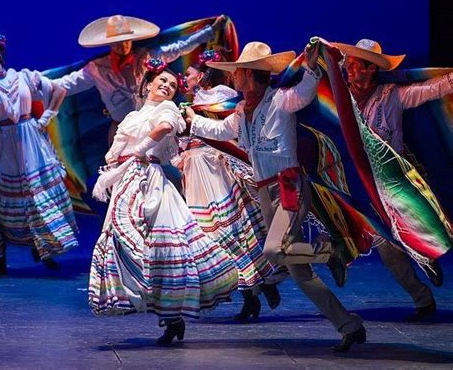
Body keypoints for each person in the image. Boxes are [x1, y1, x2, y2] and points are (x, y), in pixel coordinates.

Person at [185, 41, 366, 352]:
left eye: (239, 72)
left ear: (249, 74)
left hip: (289, 188)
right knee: (299, 271)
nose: (234, 78)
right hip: (265, 194)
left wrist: (310, 65)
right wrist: (190, 120)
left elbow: (308, 88)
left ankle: (332, 252)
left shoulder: (282, 101)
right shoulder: (243, 110)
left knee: (272, 251)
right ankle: (349, 325)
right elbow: (219, 131)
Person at [88, 59, 238, 345]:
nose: (167, 87)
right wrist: (114, 165)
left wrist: (137, 152)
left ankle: (172, 317)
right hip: (128, 181)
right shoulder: (131, 118)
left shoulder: (168, 110)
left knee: (162, 248)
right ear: (147, 85)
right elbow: (114, 150)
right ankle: (157, 308)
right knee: (126, 242)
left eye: (172, 85)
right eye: (162, 82)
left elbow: (164, 128)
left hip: (151, 181)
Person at [333, 38, 453, 321]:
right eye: (347, 65)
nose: (349, 70)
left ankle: (428, 257)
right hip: (365, 186)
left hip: (396, 182)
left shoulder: (391, 96)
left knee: (416, 230)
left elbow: (429, 90)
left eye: (355, 65)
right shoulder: (340, 100)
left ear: (371, 69)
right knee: (387, 249)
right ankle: (422, 299)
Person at [179, 50, 280, 322]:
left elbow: (224, 131)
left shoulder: (221, 96)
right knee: (213, 234)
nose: (184, 79)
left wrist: (193, 120)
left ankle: (260, 284)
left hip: (214, 170)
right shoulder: (196, 102)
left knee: (228, 230)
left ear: (201, 75)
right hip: (197, 170)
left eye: (188, 74)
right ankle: (255, 288)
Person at [0, 34, 78, 274]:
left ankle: (43, 248)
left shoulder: (22, 77)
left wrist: (46, 117)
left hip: (31, 140)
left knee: (37, 193)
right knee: (1, 198)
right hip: (5, 144)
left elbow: (58, 89)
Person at [54, 14, 227, 146]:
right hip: (123, 130)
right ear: (110, 44)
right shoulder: (97, 69)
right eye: (118, 42)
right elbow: (67, 84)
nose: (123, 45)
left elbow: (179, 48)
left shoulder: (145, 56)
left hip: (152, 124)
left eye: (126, 40)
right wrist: (33, 85)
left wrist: (210, 31)